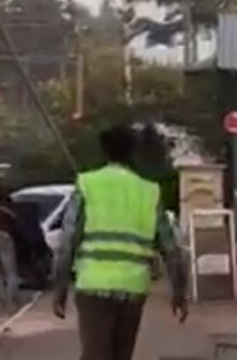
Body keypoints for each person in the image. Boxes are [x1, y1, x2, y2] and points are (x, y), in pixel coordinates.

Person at [52, 124, 188, 360]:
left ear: (104, 152)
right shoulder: (149, 191)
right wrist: (179, 292)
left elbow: (68, 239)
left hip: (93, 285)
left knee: (95, 355)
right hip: (133, 287)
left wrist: (60, 286)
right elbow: (171, 248)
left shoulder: (88, 184)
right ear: (133, 152)